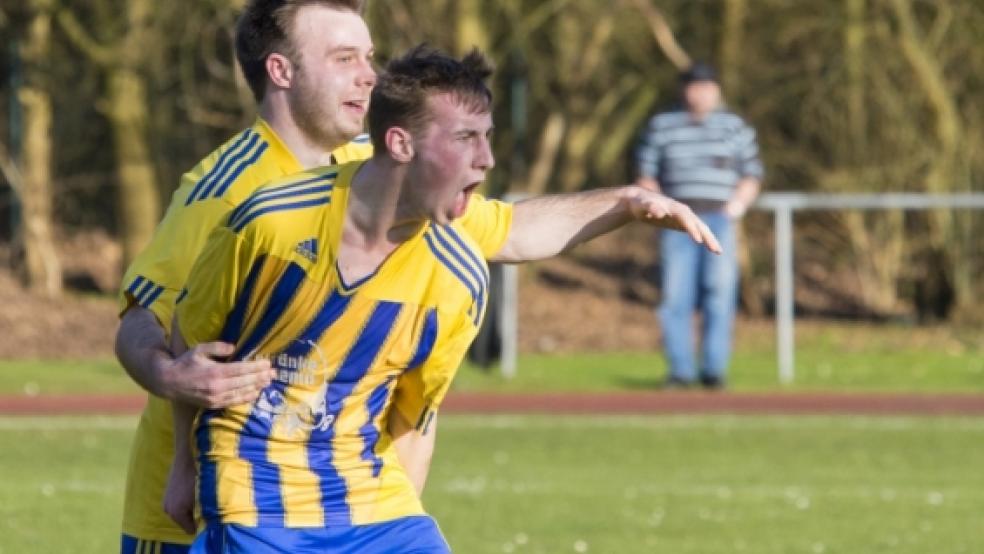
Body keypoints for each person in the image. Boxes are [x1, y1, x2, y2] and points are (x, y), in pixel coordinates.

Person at [164, 45, 721, 554]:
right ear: (400, 143)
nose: (487, 160)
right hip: (254, 504)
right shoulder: (269, 224)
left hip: (377, 508)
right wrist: (183, 468)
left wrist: (628, 203)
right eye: (464, 139)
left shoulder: (458, 275)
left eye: (488, 136)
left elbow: (414, 420)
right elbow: (190, 342)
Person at [114, 1, 376, 552]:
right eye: (344, 57)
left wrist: (607, 205)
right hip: (187, 522)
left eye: (369, 57)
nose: (369, 75)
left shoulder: (370, 172)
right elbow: (140, 316)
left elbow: (499, 226)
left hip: (307, 507)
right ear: (281, 71)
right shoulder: (225, 189)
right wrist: (169, 375)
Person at [635, 62, 764, 390]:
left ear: (717, 90)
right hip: (677, 223)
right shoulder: (662, 125)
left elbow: (752, 174)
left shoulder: (734, 126)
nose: (701, 92)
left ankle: (713, 371)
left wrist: (736, 208)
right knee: (675, 297)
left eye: (707, 86)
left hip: (720, 219)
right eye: (695, 86)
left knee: (719, 295)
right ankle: (680, 371)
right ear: (684, 90)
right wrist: (664, 210)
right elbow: (645, 174)